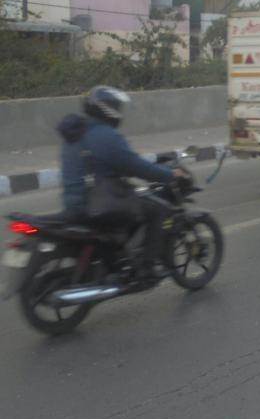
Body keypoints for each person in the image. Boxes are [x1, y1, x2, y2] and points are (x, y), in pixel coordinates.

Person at [57, 86, 187, 278]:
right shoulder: (105, 136)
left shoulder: (76, 131)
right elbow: (137, 167)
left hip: (74, 203)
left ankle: (121, 257)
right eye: (116, 106)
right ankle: (147, 267)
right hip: (97, 204)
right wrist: (169, 174)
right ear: (107, 109)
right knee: (157, 209)